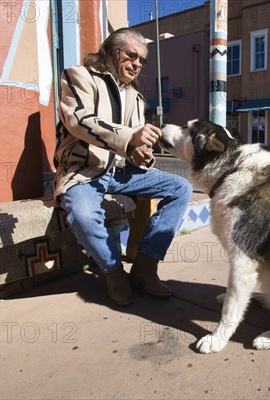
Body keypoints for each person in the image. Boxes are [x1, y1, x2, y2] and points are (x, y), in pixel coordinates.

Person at [53, 28, 192, 306]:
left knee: (181, 188)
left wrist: (141, 155)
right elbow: (79, 121)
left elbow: (134, 148)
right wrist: (130, 138)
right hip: (85, 171)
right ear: (113, 52)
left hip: (121, 173)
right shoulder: (79, 76)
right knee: (81, 215)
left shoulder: (136, 97)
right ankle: (114, 272)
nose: (138, 64)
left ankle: (146, 266)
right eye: (132, 56)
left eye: (142, 60)